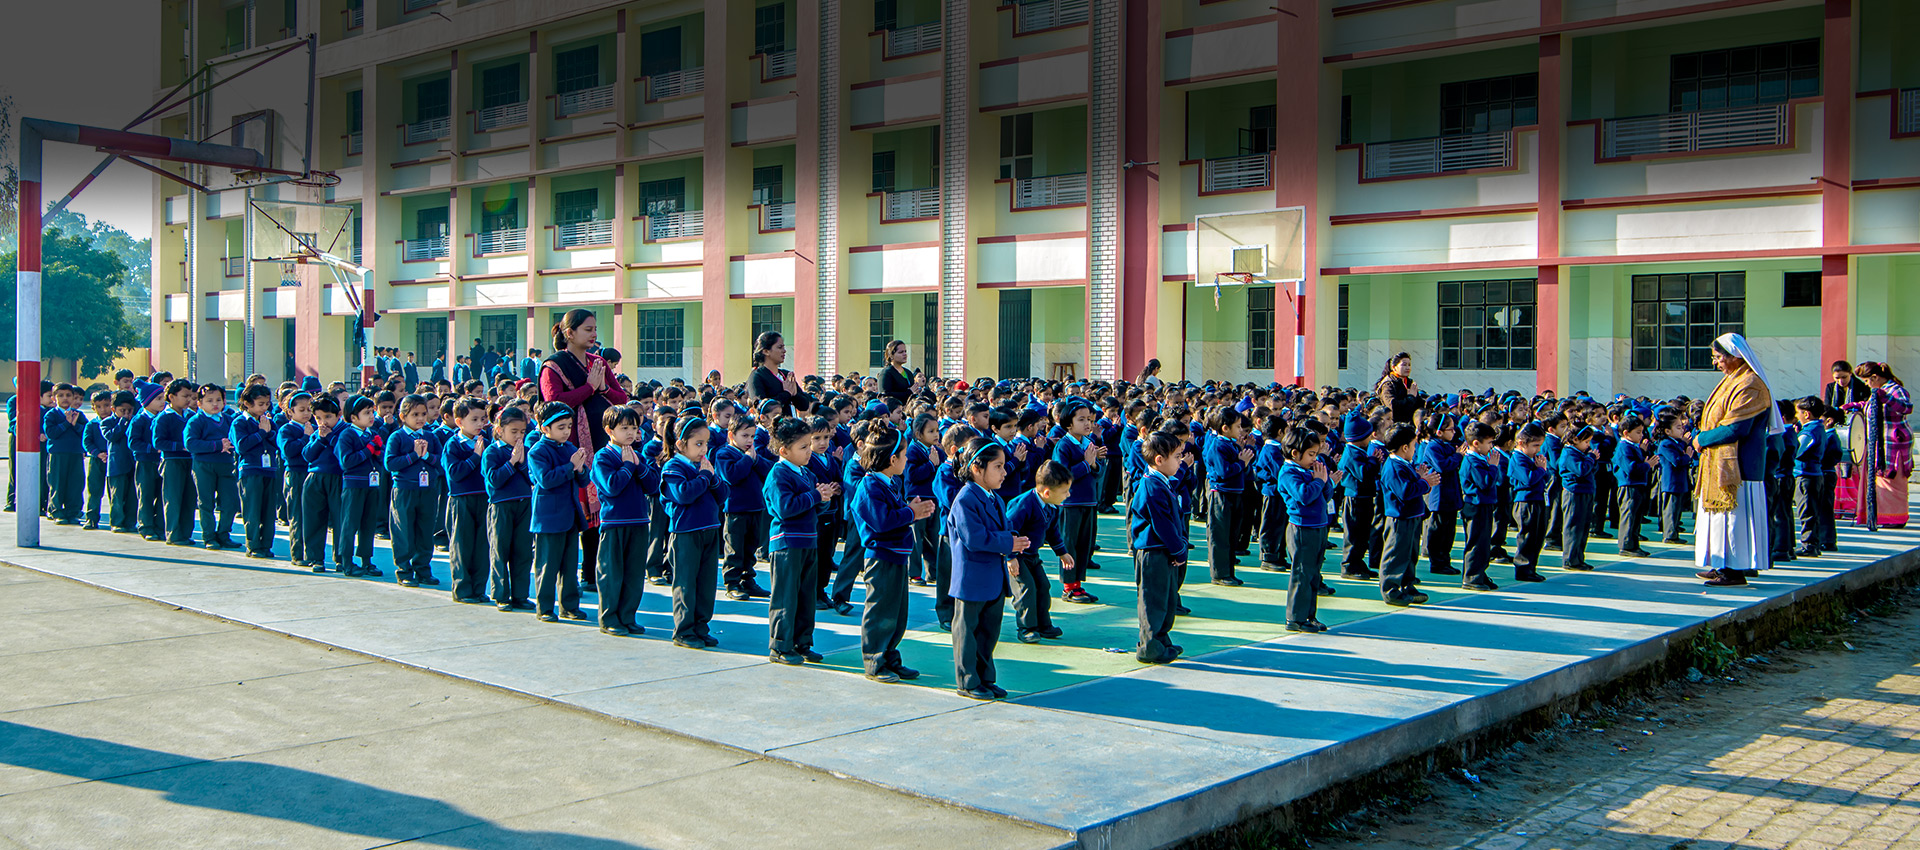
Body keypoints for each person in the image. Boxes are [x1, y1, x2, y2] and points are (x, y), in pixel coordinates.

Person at [540, 309, 630, 592]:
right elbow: (553, 404)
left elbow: (621, 398)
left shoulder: (598, 362)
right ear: (569, 333)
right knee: (581, 512)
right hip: (571, 448)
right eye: (587, 329)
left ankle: (594, 573)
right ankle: (576, 575)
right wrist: (589, 388)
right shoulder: (553, 366)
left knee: (601, 511)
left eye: (595, 329)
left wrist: (602, 388)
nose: (594, 335)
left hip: (603, 443)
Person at [1692, 333, 1784, 586]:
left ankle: (1734, 571)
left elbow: (1737, 428)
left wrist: (1702, 439)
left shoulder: (1750, 384)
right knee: (1722, 520)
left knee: (1735, 521)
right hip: (1721, 463)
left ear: (1735, 356)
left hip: (1740, 466)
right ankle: (1722, 565)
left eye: (1718, 357)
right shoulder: (1733, 379)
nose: (1716, 363)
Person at [851, 424, 936, 681]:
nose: (907, 459)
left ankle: (889, 656)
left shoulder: (889, 483)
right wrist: (911, 512)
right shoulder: (869, 486)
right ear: (892, 459)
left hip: (897, 556)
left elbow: (895, 514)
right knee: (880, 612)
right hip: (881, 559)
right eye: (904, 454)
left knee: (897, 613)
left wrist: (911, 509)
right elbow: (882, 521)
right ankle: (874, 661)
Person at [947, 439, 1026, 699]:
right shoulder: (965, 499)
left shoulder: (995, 498)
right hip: (972, 578)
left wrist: (1013, 545)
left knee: (988, 631)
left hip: (992, 577)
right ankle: (968, 681)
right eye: (998, 466)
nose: (1004, 472)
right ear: (977, 468)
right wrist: (1009, 542)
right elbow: (975, 538)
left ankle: (985, 678)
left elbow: (1004, 529)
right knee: (967, 631)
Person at [591, 405, 662, 636]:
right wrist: (628, 465)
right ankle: (609, 618)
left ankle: (628, 616)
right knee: (612, 573)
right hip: (614, 523)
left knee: (634, 573)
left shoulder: (637, 456)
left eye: (634, 428)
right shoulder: (603, 457)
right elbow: (612, 486)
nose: (631, 433)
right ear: (609, 430)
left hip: (639, 521)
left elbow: (653, 486)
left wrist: (638, 466)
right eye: (624, 428)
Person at [765, 416, 828, 665]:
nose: (809, 451)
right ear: (784, 451)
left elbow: (812, 507)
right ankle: (780, 645)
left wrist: (823, 499)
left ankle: (803, 642)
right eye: (803, 447)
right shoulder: (778, 474)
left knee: (805, 596)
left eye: (808, 445)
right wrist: (815, 496)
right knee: (785, 597)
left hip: (808, 541)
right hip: (787, 544)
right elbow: (785, 508)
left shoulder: (806, 473)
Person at [661, 417, 728, 648]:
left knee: (706, 583)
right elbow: (683, 494)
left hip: (709, 529)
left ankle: (701, 626)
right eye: (698, 444)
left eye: (706, 443)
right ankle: (684, 630)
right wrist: (704, 477)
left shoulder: (704, 466)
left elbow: (722, 495)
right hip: (686, 533)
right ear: (681, 444)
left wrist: (712, 478)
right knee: (686, 583)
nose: (704, 449)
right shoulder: (673, 467)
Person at [1131, 431, 1188, 662]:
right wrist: (1178, 549)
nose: (1181, 461)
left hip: (1163, 550)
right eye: (1177, 456)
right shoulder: (1152, 486)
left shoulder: (1162, 482)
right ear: (1159, 460)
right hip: (1153, 552)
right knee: (1153, 600)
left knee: (1167, 598)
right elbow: (1162, 524)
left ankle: (1162, 640)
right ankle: (1150, 647)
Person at [1276, 425, 1340, 630]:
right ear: (1295, 453)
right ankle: (1295, 618)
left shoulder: (1309, 470)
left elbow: (1324, 496)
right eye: (1311, 454)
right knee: (1302, 574)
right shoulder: (1288, 473)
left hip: (1318, 526)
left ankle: (1309, 616)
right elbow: (1304, 496)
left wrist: (1326, 481)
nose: (1315, 459)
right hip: (1302, 529)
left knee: (1313, 574)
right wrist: (1319, 481)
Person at [1005, 460, 1071, 645]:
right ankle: (1026, 628)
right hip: (1018, 556)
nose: (1068, 495)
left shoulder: (1052, 506)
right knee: (1026, 588)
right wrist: (1010, 557)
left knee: (1043, 586)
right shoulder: (1024, 504)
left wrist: (1061, 552)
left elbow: (1052, 531)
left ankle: (1043, 624)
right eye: (1065, 491)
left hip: (1033, 555)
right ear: (1047, 492)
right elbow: (1008, 529)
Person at [1841, 361, 1912, 530]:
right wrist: (1856, 405)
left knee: (1892, 482)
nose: (1866, 384)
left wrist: (1887, 398)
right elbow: (1872, 407)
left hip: (1894, 443)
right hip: (1879, 444)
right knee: (1880, 481)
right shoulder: (1878, 391)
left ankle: (1895, 518)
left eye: (1867, 381)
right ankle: (1882, 515)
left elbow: (1906, 407)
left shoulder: (1895, 390)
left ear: (1875, 377)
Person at [1378, 424, 1439, 606]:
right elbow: (1404, 491)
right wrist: (1425, 482)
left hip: (1412, 516)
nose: (1415, 449)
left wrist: (1418, 477)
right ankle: (1391, 590)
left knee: (1410, 554)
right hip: (1400, 518)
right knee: (1396, 554)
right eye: (1413, 445)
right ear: (1405, 447)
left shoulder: (1404, 464)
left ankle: (1407, 585)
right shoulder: (1393, 467)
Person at [483, 406, 536, 611]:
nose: (518, 436)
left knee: (523, 552)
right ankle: (501, 595)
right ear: (500, 430)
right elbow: (494, 480)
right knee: (500, 551)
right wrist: (512, 462)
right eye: (513, 431)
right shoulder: (492, 451)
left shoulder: (526, 451)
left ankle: (520, 595)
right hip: (501, 506)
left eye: (522, 431)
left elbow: (532, 478)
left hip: (524, 504)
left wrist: (521, 462)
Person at [384, 394, 439, 587]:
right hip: (405, 490)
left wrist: (427, 456)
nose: (420, 418)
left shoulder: (431, 436)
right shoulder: (397, 437)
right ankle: (404, 571)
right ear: (403, 416)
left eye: (423, 414)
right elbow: (390, 463)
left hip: (427, 490)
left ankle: (423, 569)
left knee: (425, 531)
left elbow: (440, 461)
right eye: (415, 414)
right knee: (404, 531)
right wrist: (414, 455)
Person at [185, 384, 239, 549]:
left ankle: (223, 534)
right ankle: (209, 536)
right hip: (204, 465)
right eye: (209, 401)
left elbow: (236, 439)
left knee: (230, 502)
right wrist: (217, 445)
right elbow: (190, 443)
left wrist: (231, 446)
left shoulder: (229, 420)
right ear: (199, 403)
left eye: (218, 400)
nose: (215, 404)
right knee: (206, 502)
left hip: (226, 465)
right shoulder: (196, 421)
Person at [231, 385, 278, 559]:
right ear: (247, 403)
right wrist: (261, 433)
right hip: (251, 470)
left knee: (268, 511)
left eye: (267, 403)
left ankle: (266, 544)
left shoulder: (269, 421)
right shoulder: (240, 422)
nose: (264, 407)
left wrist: (269, 432)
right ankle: (253, 545)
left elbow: (277, 442)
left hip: (269, 470)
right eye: (260, 404)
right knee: (252, 510)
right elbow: (241, 446)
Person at [298, 396, 342, 572]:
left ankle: (341, 558)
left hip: (337, 478)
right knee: (314, 519)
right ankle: (315, 557)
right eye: (318, 418)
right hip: (315, 478)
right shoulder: (317, 434)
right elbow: (307, 455)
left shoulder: (345, 431)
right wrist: (320, 439)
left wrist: (330, 437)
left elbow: (342, 452)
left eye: (328, 417)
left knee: (340, 520)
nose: (323, 422)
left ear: (338, 414)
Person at [1457, 420, 1501, 590]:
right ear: (1476, 443)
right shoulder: (1472, 461)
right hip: (1475, 506)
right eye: (1489, 443)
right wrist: (1493, 467)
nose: (1491, 447)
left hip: (1484, 505)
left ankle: (1480, 573)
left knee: (1484, 543)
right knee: (1476, 542)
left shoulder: (1480, 459)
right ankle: (1472, 577)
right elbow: (1485, 483)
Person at [1506, 422, 1551, 582]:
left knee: (1537, 537)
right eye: (1535, 445)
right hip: (1525, 502)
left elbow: (1545, 477)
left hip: (1537, 499)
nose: (1538, 450)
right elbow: (1528, 479)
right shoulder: (1518, 458)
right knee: (1527, 536)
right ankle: (1523, 569)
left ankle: (1531, 567)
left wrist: (1543, 469)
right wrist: (1540, 469)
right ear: (1521, 443)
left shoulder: (1532, 458)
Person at [42, 384, 87, 526]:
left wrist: (75, 424)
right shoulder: (51, 415)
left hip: (75, 453)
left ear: (73, 397)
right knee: (57, 483)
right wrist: (66, 423)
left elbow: (85, 432)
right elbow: (51, 433)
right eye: (60, 395)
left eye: (68, 395)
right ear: (54, 398)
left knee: (75, 484)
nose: (65, 398)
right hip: (58, 454)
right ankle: (56, 511)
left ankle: (72, 512)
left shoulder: (78, 415)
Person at [1611, 415, 1652, 558]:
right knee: (1629, 515)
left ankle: (1634, 544)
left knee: (1636, 516)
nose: (1641, 435)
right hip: (1628, 486)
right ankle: (1626, 545)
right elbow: (1630, 468)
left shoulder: (1633, 446)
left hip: (1637, 485)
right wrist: (1647, 465)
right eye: (1638, 432)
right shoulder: (1624, 447)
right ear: (1626, 433)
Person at [1791, 397, 1827, 557]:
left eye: (1798, 412)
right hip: (1815, 474)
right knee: (1812, 510)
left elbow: (1797, 451)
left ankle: (1809, 545)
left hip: (1806, 475)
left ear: (1806, 414)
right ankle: (1813, 543)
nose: (1796, 416)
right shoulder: (1819, 428)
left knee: (1806, 512)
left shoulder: (1809, 431)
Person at [1653, 412, 1694, 545]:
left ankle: (1674, 532)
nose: (1682, 430)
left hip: (1678, 482)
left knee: (1676, 509)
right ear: (1668, 431)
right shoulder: (1666, 444)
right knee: (1671, 509)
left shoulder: (1676, 443)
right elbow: (1676, 461)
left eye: (1682, 427)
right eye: (1678, 427)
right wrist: (1687, 456)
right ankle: (1669, 535)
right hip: (1671, 482)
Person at [101, 391, 137, 534]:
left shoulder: (135, 421)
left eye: (129, 410)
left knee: (132, 496)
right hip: (116, 465)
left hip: (133, 463)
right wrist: (122, 423)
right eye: (123, 410)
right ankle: (117, 522)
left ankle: (130, 522)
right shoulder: (107, 422)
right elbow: (111, 436)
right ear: (113, 409)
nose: (126, 414)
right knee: (117, 496)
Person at [748, 331, 803, 417]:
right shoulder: (757, 376)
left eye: (784, 347)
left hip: (792, 423)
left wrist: (795, 394)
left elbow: (804, 405)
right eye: (780, 347)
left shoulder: (786, 375)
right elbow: (761, 406)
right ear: (766, 351)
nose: (784, 351)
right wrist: (787, 394)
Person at [82, 390, 113, 530]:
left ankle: (116, 520)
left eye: (106, 405)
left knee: (114, 492)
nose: (103, 410)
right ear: (93, 408)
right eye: (99, 406)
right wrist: (97, 453)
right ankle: (91, 518)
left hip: (114, 460)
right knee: (94, 491)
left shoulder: (115, 422)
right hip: (97, 460)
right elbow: (87, 442)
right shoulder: (92, 424)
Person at [1376, 353, 1421, 425]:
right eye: (1404, 365)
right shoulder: (1388, 384)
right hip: (1394, 424)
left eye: (1409, 365)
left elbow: (1417, 404)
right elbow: (1392, 406)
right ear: (1394, 367)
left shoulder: (1409, 382)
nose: (1408, 368)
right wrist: (1410, 398)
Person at [879, 340, 914, 406]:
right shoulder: (886, 373)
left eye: (905, 351)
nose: (905, 354)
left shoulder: (908, 373)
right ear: (891, 355)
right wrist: (909, 392)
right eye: (901, 352)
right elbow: (885, 396)